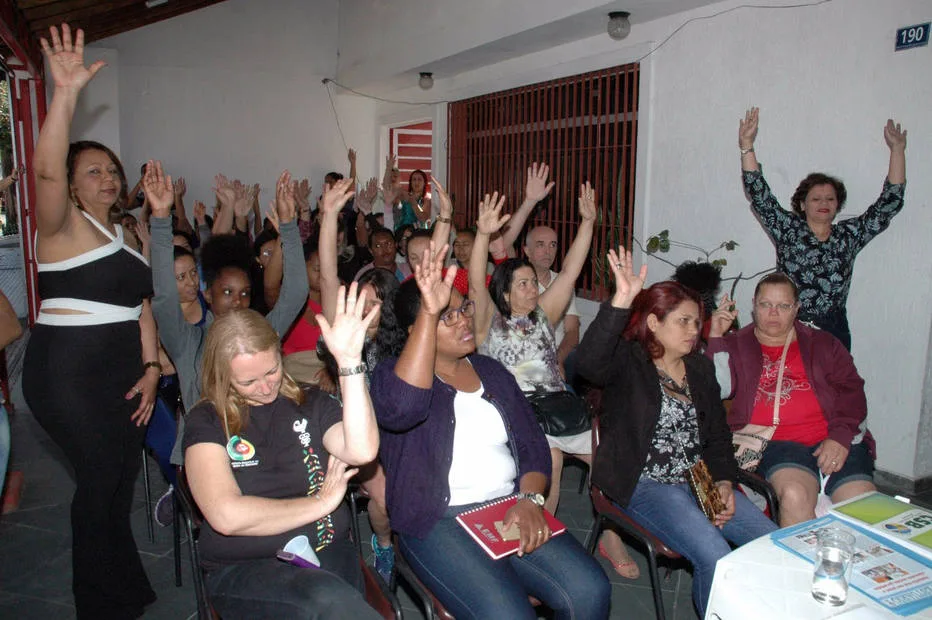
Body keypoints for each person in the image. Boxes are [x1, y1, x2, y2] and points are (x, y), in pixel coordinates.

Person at [371, 244, 611, 619]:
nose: (463, 320)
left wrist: (530, 500)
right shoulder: (390, 378)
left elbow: (532, 444)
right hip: (436, 523)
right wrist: (428, 315)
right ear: (413, 331)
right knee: (509, 615)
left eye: (463, 308)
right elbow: (404, 411)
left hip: (507, 507)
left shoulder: (491, 371)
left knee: (589, 589)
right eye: (444, 317)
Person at [21, 24, 158, 617]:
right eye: (93, 171)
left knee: (120, 478)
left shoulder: (127, 233)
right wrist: (66, 95)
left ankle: (124, 588)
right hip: (69, 376)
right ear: (74, 188)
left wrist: (152, 368)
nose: (107, 178)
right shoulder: (59, 226)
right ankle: (97, 604)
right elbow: (45, 173)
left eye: (111, 170)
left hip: (124, 374)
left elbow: (142, 306)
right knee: (100, 478)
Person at [577, 249, 778, 616]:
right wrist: (621, 300)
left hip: (699, 478)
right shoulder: (629, 362)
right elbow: (586, 363)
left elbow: (717, 436)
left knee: (770, 544)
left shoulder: (699, 369)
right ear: (654, 323)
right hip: (645, 482)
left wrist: (723, 482)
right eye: (683, 321)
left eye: (696, 321)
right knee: (715, 555)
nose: (694, 330)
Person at [183, 288, 382, 619]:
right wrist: (319, 504)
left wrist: (349, 364)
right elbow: (227, 516)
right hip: (247, 565)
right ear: (222, 377)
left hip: (325, 547)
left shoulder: (311, 402)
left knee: (335, 600)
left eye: (271, 371)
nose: (265, 387)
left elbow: (361, 450)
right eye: (248, 381)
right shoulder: (206, 421)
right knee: (330, 601)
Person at [148, 162, 309, 468]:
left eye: (245, 293)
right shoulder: (187, 343)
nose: (238, 301)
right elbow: (165, 297)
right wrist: (159, 219)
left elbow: (296, 293)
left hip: (260, 448)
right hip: (206, 452)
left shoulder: (262, 334)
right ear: (207, 294)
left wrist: (288, 226)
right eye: (227, 292)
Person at [707, 273, 875, 527]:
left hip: (834, 437)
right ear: (754, 305)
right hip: (777, 443)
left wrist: (839, 436)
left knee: (862, 504)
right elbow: (716, 390)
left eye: (783, 306)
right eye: (765, 305)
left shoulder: (823, 344)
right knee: (795, 495)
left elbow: (852, 390)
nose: (773, 313)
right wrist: (716, 338)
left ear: (796, 308)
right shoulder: (736, 344)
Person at [738, 107, 907, 350]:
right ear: (802, 204)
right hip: (787, 326)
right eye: (816, 199)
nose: (824, 204)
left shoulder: (848, 235)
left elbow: (888, 205)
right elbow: (759, 194)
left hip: (832, 328)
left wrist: (898, 152)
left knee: (831, 388)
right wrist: (746, 144)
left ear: (838, 205)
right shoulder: (788, 229)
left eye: (830, 199)